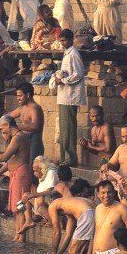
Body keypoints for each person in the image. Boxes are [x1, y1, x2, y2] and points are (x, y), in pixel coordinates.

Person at [0, 115, 33, 240]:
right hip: (16, 173)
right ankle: (18, 235)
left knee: (19, 207)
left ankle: (21, 238)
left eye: (1, 128)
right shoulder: (16, 137)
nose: (1, 131)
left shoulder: (18, 137)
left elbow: (4, 157)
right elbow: (12, 160)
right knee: (17, 208)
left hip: (20, 174)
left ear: (7, 125)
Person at [51, 29, 86, 166]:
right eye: (61, 41)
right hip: (64, 96)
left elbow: (78, 74)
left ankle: (70, 158)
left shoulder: (74, 54)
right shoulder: (67, 54)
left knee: (69, 128)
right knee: (63, 128)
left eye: (64, 40)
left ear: (71, 40)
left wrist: (63, 81)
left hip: (70, 97)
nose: (62, 43)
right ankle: (64, 157)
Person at [47, 181, 97, 254]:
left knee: (73, 251)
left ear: (49, 202)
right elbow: (68, 235)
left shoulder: (53, 204)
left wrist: (53, 253)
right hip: (96, 211)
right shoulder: (70, 206)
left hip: (87, 213)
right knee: (75, 251)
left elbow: (57, 233)